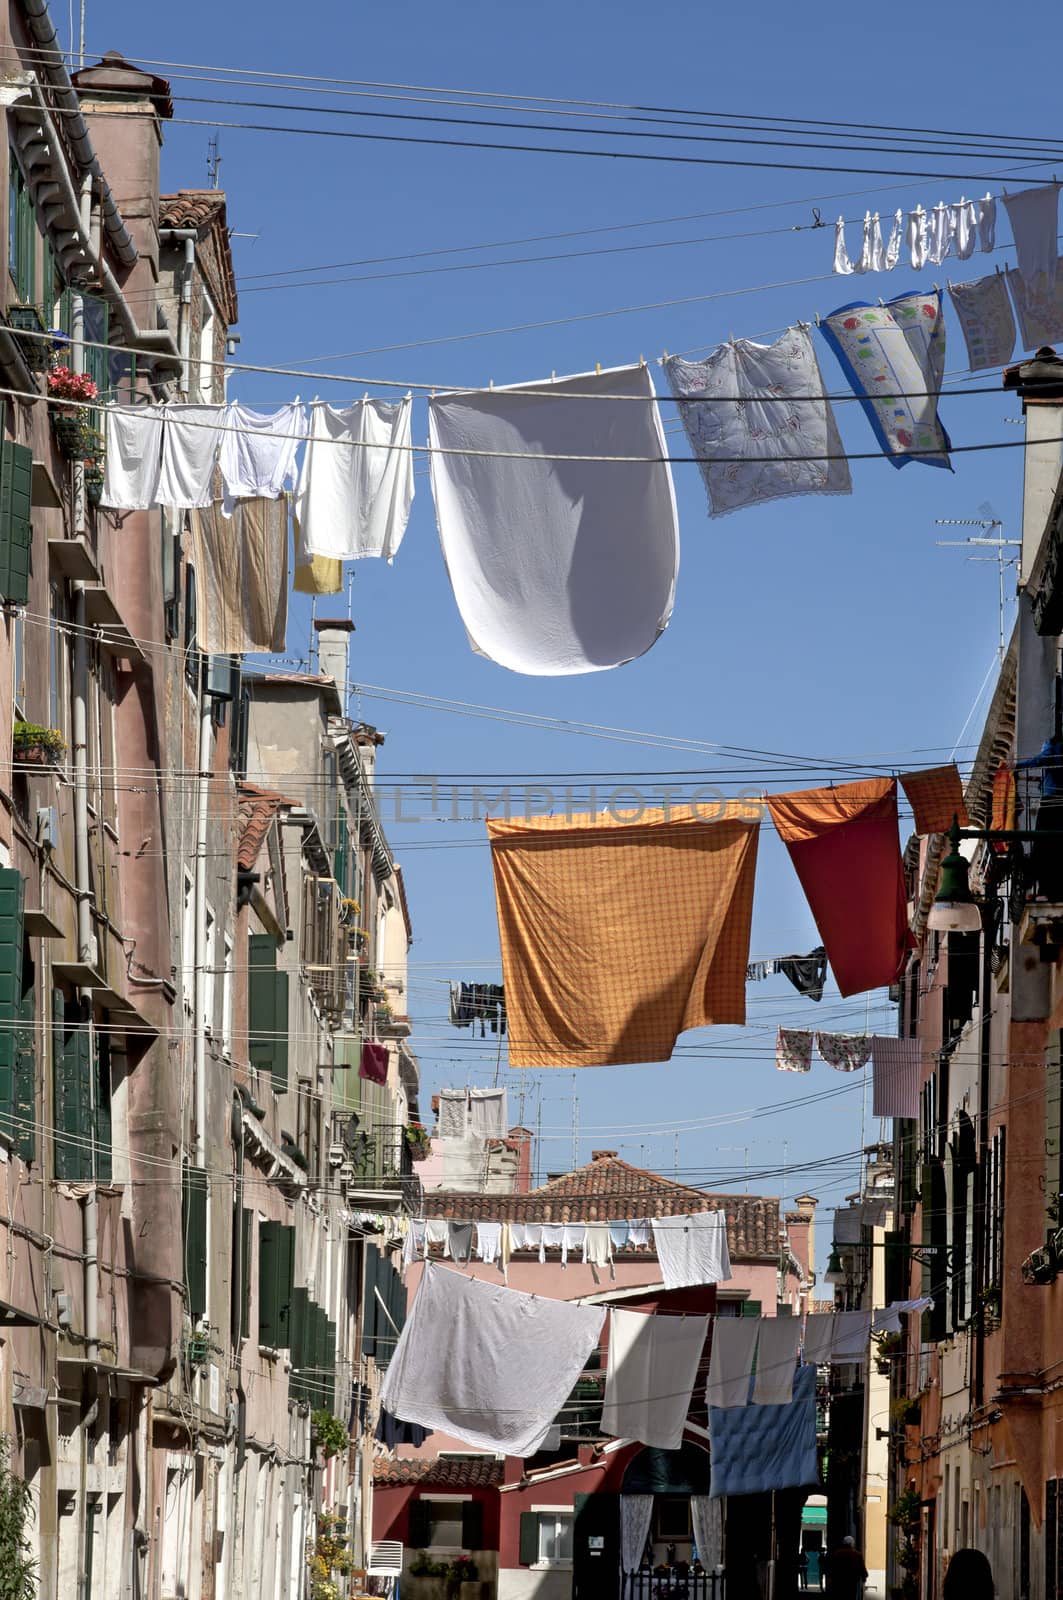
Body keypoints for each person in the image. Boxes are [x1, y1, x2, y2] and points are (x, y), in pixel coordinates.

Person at [825, 1535, 866, 1600]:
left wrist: (830, 1578)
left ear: (844, 1543)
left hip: (839, 1582)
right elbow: (862, 1568)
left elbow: (832, 1567)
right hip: (852, 1582)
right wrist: (864, 1577)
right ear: (852, 1544)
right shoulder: (857, 1554)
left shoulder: (837, 1553)